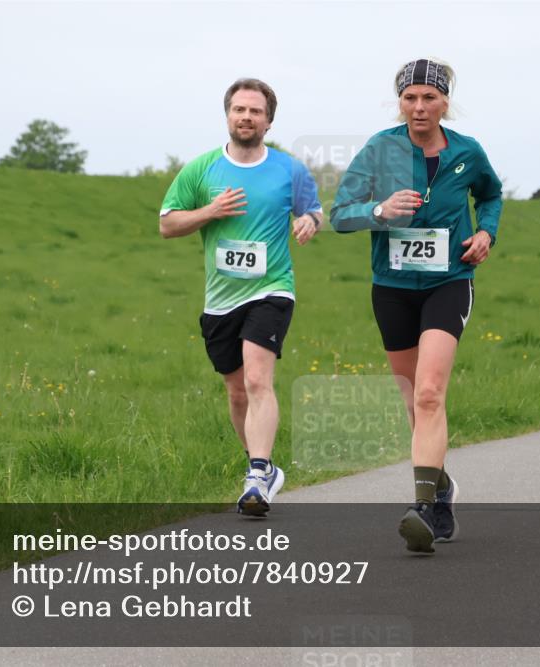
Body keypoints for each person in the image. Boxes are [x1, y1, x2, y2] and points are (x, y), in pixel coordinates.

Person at [330, 59, 502, 552]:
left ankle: (423, 506)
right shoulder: (379, 149)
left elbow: (491, 194)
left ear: (446, 102)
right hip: (393, 288)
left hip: (450, 281)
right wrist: (378, 211)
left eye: (430, 97)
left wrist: (487, 231)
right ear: (399, 102)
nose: (420, 107)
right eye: (410, 98)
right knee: (412, 400)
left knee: (429, 393)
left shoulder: (468, 152)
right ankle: (441, 485)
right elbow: (341, 214)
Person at [159, 78, 323, 516]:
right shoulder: (201, 170)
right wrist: (210, 211)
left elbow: (313, 210)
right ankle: (264, 471)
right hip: (220, 299)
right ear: (227, 115)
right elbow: (167, 223)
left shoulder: (289, 169)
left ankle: (256, 470)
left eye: (255, 111)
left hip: (272, 290)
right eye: (239, 109)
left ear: (268, 121)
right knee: (236, 392)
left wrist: (309, 222)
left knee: (256, 380)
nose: (246, 117)